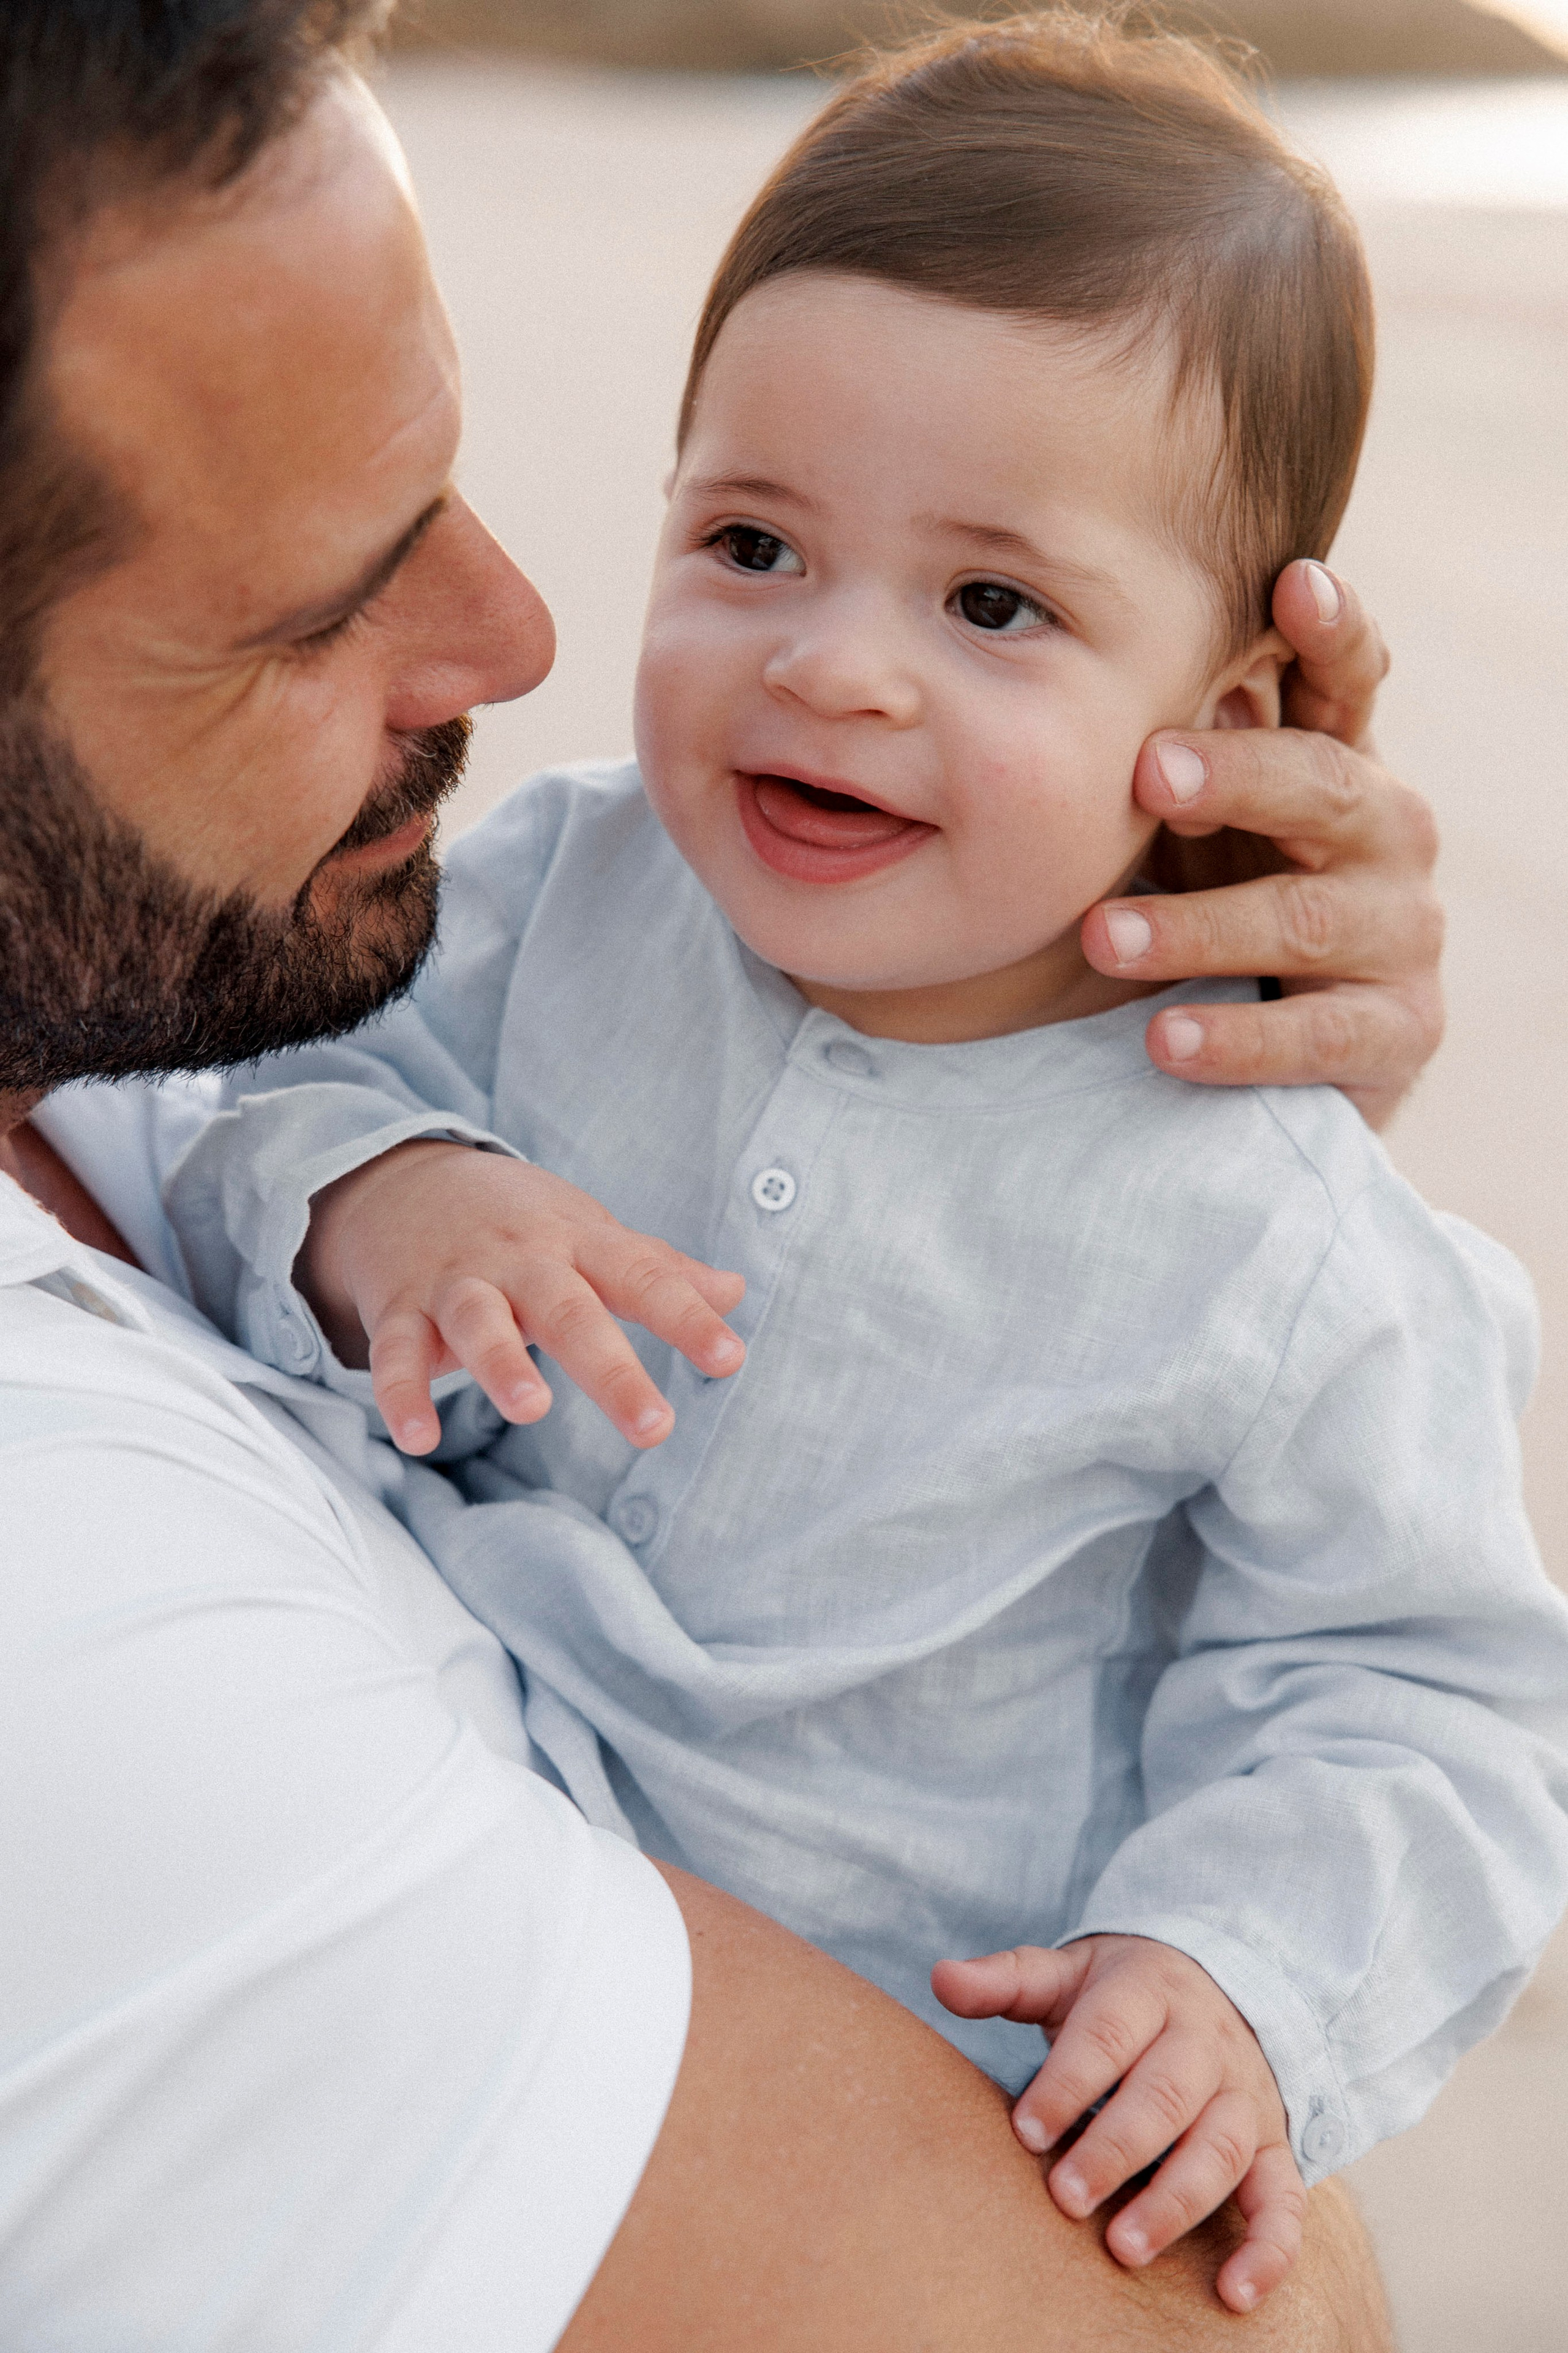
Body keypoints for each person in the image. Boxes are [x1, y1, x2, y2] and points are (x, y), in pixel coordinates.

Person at [0, 1, 1440, 2343]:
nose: (833, 672)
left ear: (1235, 726)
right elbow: (276, 1103)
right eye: (753, 542)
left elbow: (1409, 1682)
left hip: (969, 2026)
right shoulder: (557, 900)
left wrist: (1244, 1971)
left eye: (990, 604)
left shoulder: (1284, 1231)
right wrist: (386, 1185)